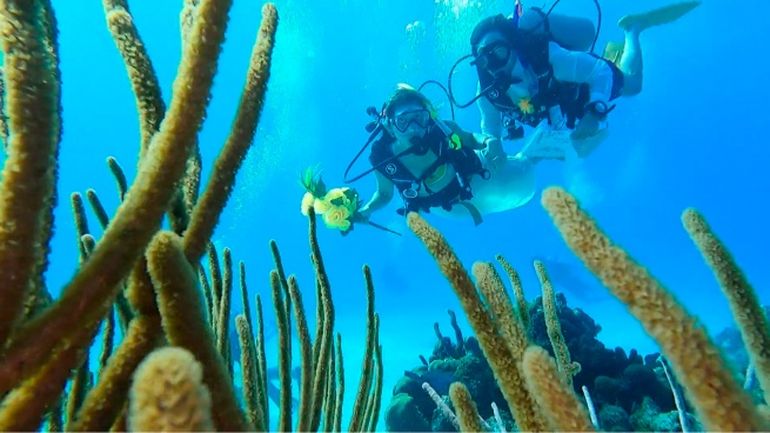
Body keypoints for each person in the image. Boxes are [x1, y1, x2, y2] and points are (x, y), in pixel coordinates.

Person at [468, 1, 701, 159]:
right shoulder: (488, 91)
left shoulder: (548, 57)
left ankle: (633, 29)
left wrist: (594, 111)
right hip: (555, 102)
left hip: (577, 82)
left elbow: (599, 72)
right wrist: (493, 143)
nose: (495, 64)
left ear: (513, 46)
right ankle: (614, 53)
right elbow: (490, 126)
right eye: (485, 60)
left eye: (498, 51)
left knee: (632, 85)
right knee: (567, 147)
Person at [350, 84, 545, 225]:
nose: (413, 128)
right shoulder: (382, 158)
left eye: (419, 118)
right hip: (446, 210)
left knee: (526, 181)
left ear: (428, 117)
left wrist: (489, 141)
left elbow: (471, 139)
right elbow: (384, 193)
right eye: (404, 121)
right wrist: (367, 210)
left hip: (477, 181)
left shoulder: (442, 131)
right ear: (390, 126)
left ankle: (542, 144)